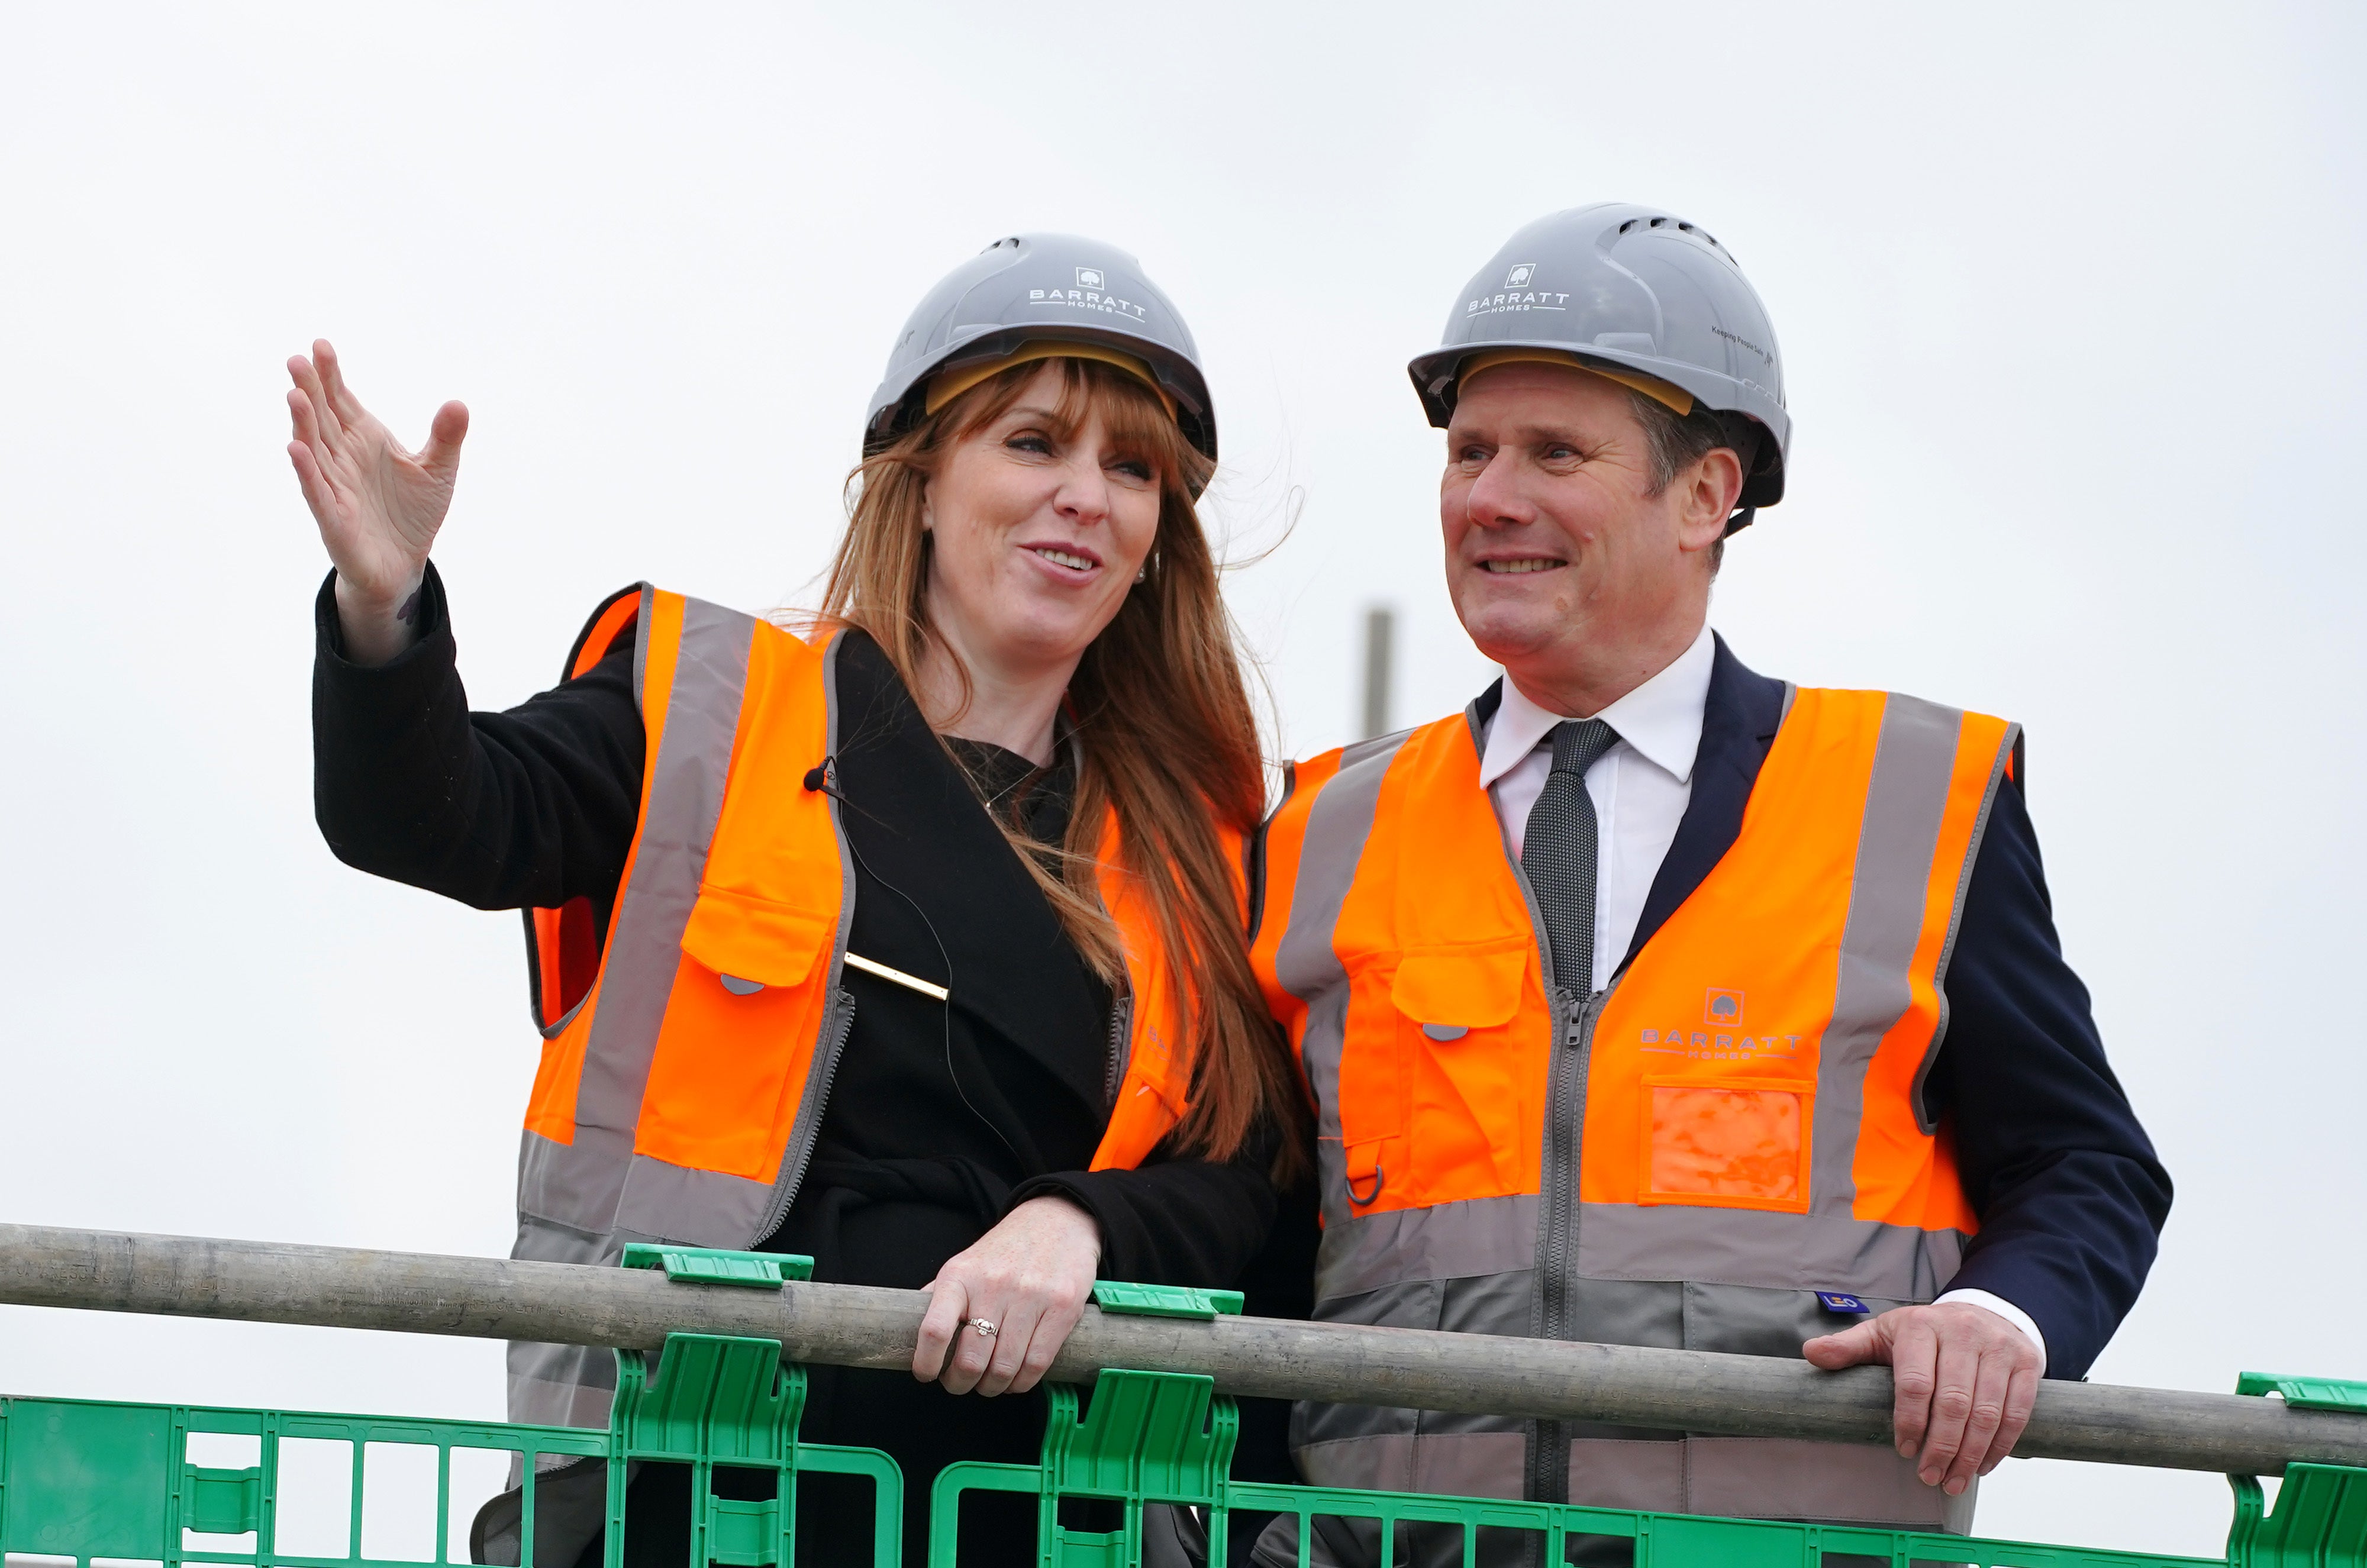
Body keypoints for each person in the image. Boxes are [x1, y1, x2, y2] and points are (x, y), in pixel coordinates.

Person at [290, 234, 1304, 1566]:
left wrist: (1082, 1220)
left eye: (1131, 470)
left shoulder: (1206, 840)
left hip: (1041, 1521)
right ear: (920, 473)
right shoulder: (709, 702)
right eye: (1034, 441)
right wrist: (387, 603)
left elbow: (1254, 1178)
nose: (1084, 497)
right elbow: (439, 814)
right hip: (688, 1497)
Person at [1249, 205, 2171, 1562]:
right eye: (1467, 451)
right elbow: (1256, 1208)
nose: (1487, 495)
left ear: (1704, 496)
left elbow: (2082, 1164)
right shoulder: (1319, 821)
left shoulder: (1910, 800)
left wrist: (1999, 1319)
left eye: (1553, 452)